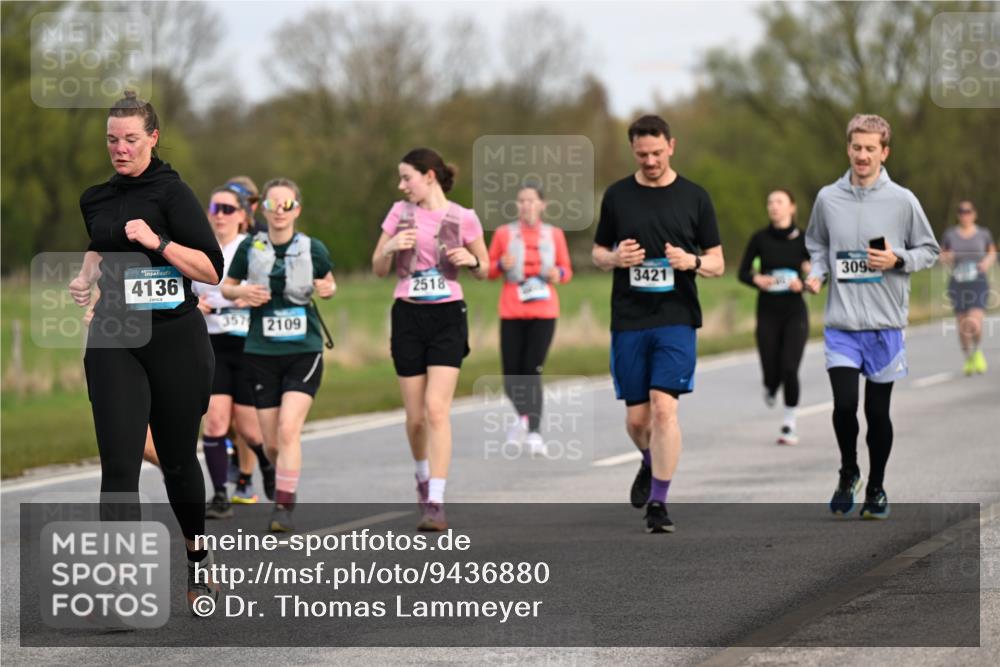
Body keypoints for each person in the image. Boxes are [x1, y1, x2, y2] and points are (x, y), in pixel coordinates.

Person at [69, 91, 224, 612]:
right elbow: (100, 241)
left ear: (152, 138)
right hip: (115, 335)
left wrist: (157, 242)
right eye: (112, 139)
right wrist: (87, 275)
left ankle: (198, 562)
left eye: (131, 139)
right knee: (118, 462)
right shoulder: (95, 197)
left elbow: (210, 270)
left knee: (179, 461)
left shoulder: (173, 193)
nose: (120, 148)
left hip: (176, 338)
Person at [592, 115, 724, 533]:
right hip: (629, 319)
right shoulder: (617, 196)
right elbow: (597, 253)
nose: (650, 161)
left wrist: (693, 262)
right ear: (633, 151)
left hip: (676, 318)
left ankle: (659, 504)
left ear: (672, 146)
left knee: (664, 409)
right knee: (637, 421)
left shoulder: (695, 197)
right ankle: (650, 462)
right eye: (641, 154)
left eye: (656, 152)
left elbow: (718, 261)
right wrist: (616, 259)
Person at [804, 113, 940, 520]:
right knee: (845, 406)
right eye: (856, 147)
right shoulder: (828, 198)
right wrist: (817, 272)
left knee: (876, 413)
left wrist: (897, 258)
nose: (862, 155)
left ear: (885, 152)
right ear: (848, 148)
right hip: (843, 324)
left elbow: (929, 251)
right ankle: (849, 472)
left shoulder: (903, 200)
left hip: (885, 326)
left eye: (870, 149)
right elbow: (817, 244)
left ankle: (877, 487)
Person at [372, 148, 488, 531]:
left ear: (430, 176)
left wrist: (472, 262)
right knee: (416, 417)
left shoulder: (464, 217)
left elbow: (485, 268)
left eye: (407, 177)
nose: (401, 185)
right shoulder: (398, 214)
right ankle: (422, 475)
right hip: (408, 315)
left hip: (447, 317)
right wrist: (388, 248)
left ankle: (436, 499)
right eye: (401, 178)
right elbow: (377, 268)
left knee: (437, 409)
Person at [221, 178, 336, 532]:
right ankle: (282, 476)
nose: (280, 212)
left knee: (288, 429)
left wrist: (327, 288)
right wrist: (243, 293)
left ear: (297, 209)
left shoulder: (312, 248)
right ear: (264, 210)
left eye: (287, 205)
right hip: (260, 352)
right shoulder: (250, 247)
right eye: (273, 205)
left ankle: (283, 506)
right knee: (272, 443)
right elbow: (227, 287)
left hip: (304, 350)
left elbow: (329, 284)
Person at [193, 184, 270, 518]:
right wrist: (193, 303)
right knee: (215, 424)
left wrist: (242, 295)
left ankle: (265, 465)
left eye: (227, 209)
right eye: (215, 208)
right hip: (211, 344)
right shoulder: (197, 249)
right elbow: (179, 287)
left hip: (247, 343)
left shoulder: (254, 248)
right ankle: (220, 495)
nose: (220, 215)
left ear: (242, 216)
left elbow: (269, 290)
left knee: (250, 429)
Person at [487, 182, 573, 456]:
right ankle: (523, 417)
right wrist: (501, 265)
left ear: (542, 205)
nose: (526, 205)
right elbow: (488, 270)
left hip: (544, 311)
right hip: (512, 309)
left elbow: (566, 270)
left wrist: (557, 274)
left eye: (531, 200)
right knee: (511, 374)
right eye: (521, 201)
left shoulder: (554, 234)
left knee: (531, 370)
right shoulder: (503, 234)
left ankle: (534, 431)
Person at [738, 189, 811, 445]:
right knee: (771, 368)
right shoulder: (760, 238)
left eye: (779, 202)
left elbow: (816, 277)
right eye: (770, 202)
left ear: (792, 207)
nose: (774, 207)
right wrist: (757, 278)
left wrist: (802, 283)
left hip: (794, 312)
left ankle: (789, 424)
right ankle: (770, 385)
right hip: (767, 310)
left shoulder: (804, 239)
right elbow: (742, 272)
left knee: (790, 367)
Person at [940, 200, 995, 375]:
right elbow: (943, 255)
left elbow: (992, 252)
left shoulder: (983, 233)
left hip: (978, 281)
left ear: (974, 214)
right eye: (961, 211)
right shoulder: (950, 234)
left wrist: (987, 262)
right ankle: (968, 357)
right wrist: (948, 257)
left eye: (968, 211)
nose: (965, 214)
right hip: (958, 282)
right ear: (958, 215)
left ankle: (977, 350)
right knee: (963, 325)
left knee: (975, 322)